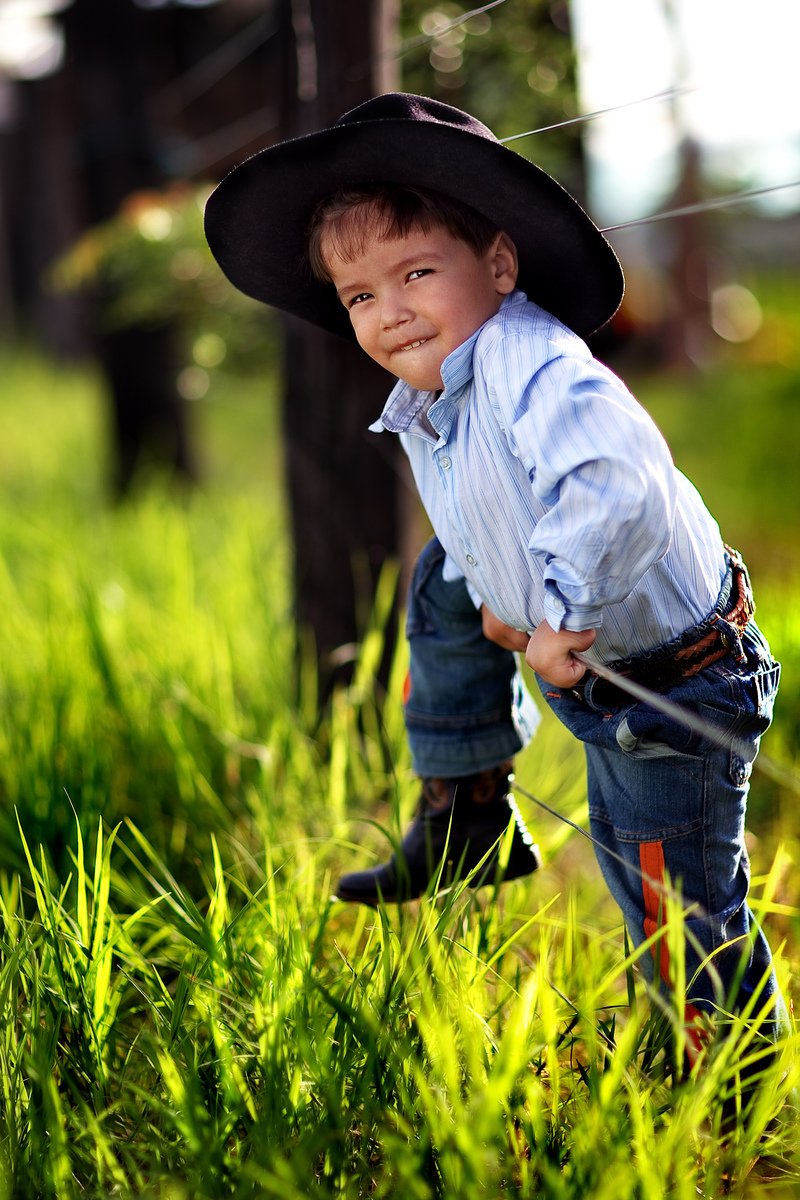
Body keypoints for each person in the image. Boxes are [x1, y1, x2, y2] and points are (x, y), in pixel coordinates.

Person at [204, 93, 785, 1049]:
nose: (389, 313)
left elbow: (616, 484)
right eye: (359, 296)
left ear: (500, 264)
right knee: (441, 584)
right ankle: (468, 803)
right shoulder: (440, 385)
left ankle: (725, 1060)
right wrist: (498, 592)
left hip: (672, 677)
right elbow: (491, 509)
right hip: (602, 656)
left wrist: (557, 609)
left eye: (417, 272)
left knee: (664, 881)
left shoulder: (541, 366)